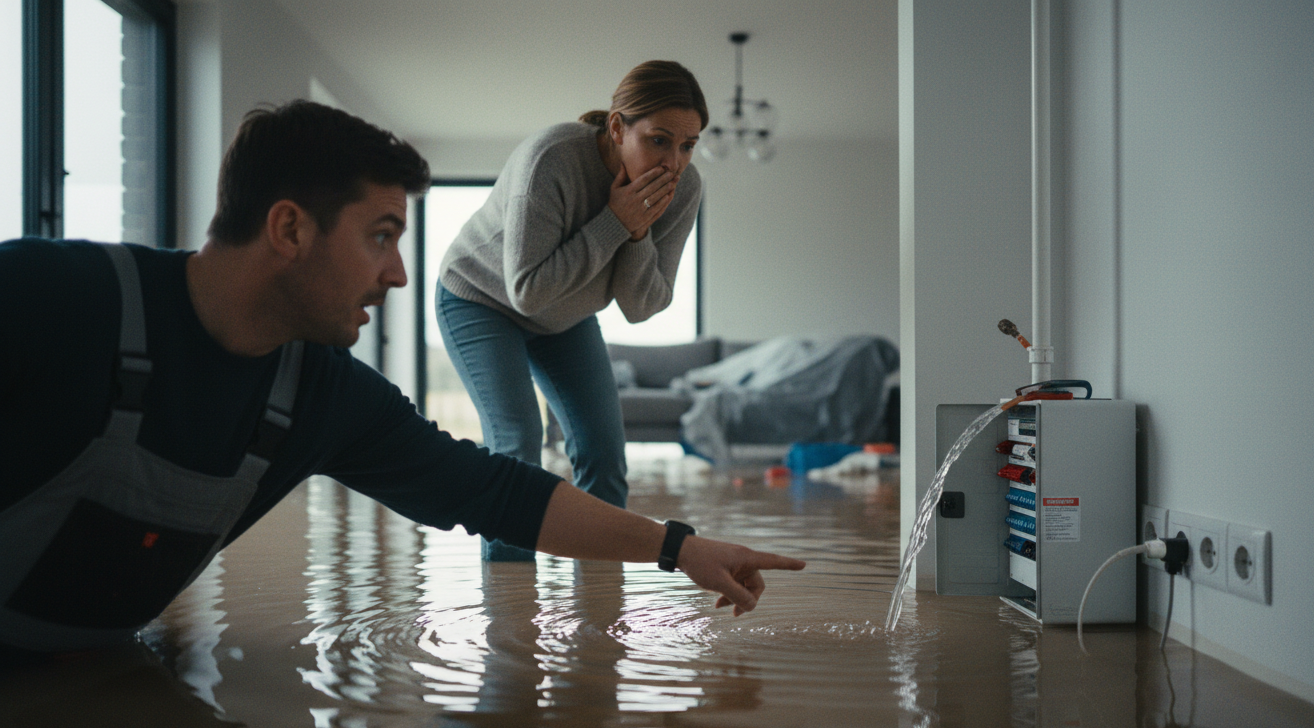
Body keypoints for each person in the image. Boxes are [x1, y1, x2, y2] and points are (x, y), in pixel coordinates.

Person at [0, 100, 804, 656]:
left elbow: (496, 492)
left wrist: (678, 547)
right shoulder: (51, 298)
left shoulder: (324, 396)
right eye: (381, 236)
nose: (398, 275)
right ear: (289, 228)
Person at [436, 61, 704, 561]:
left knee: (604, 454)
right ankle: (511, 602)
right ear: (618, 127)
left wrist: (638, 230)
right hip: (481, 298)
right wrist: (615, 220)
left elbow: (641, 307)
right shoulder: (551, 159)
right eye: (660, 140)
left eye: (688, 145)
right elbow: (527, 293)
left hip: (567, 316)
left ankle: (601, 598)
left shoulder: (683, 189)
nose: (674, 163)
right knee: (518, 442)